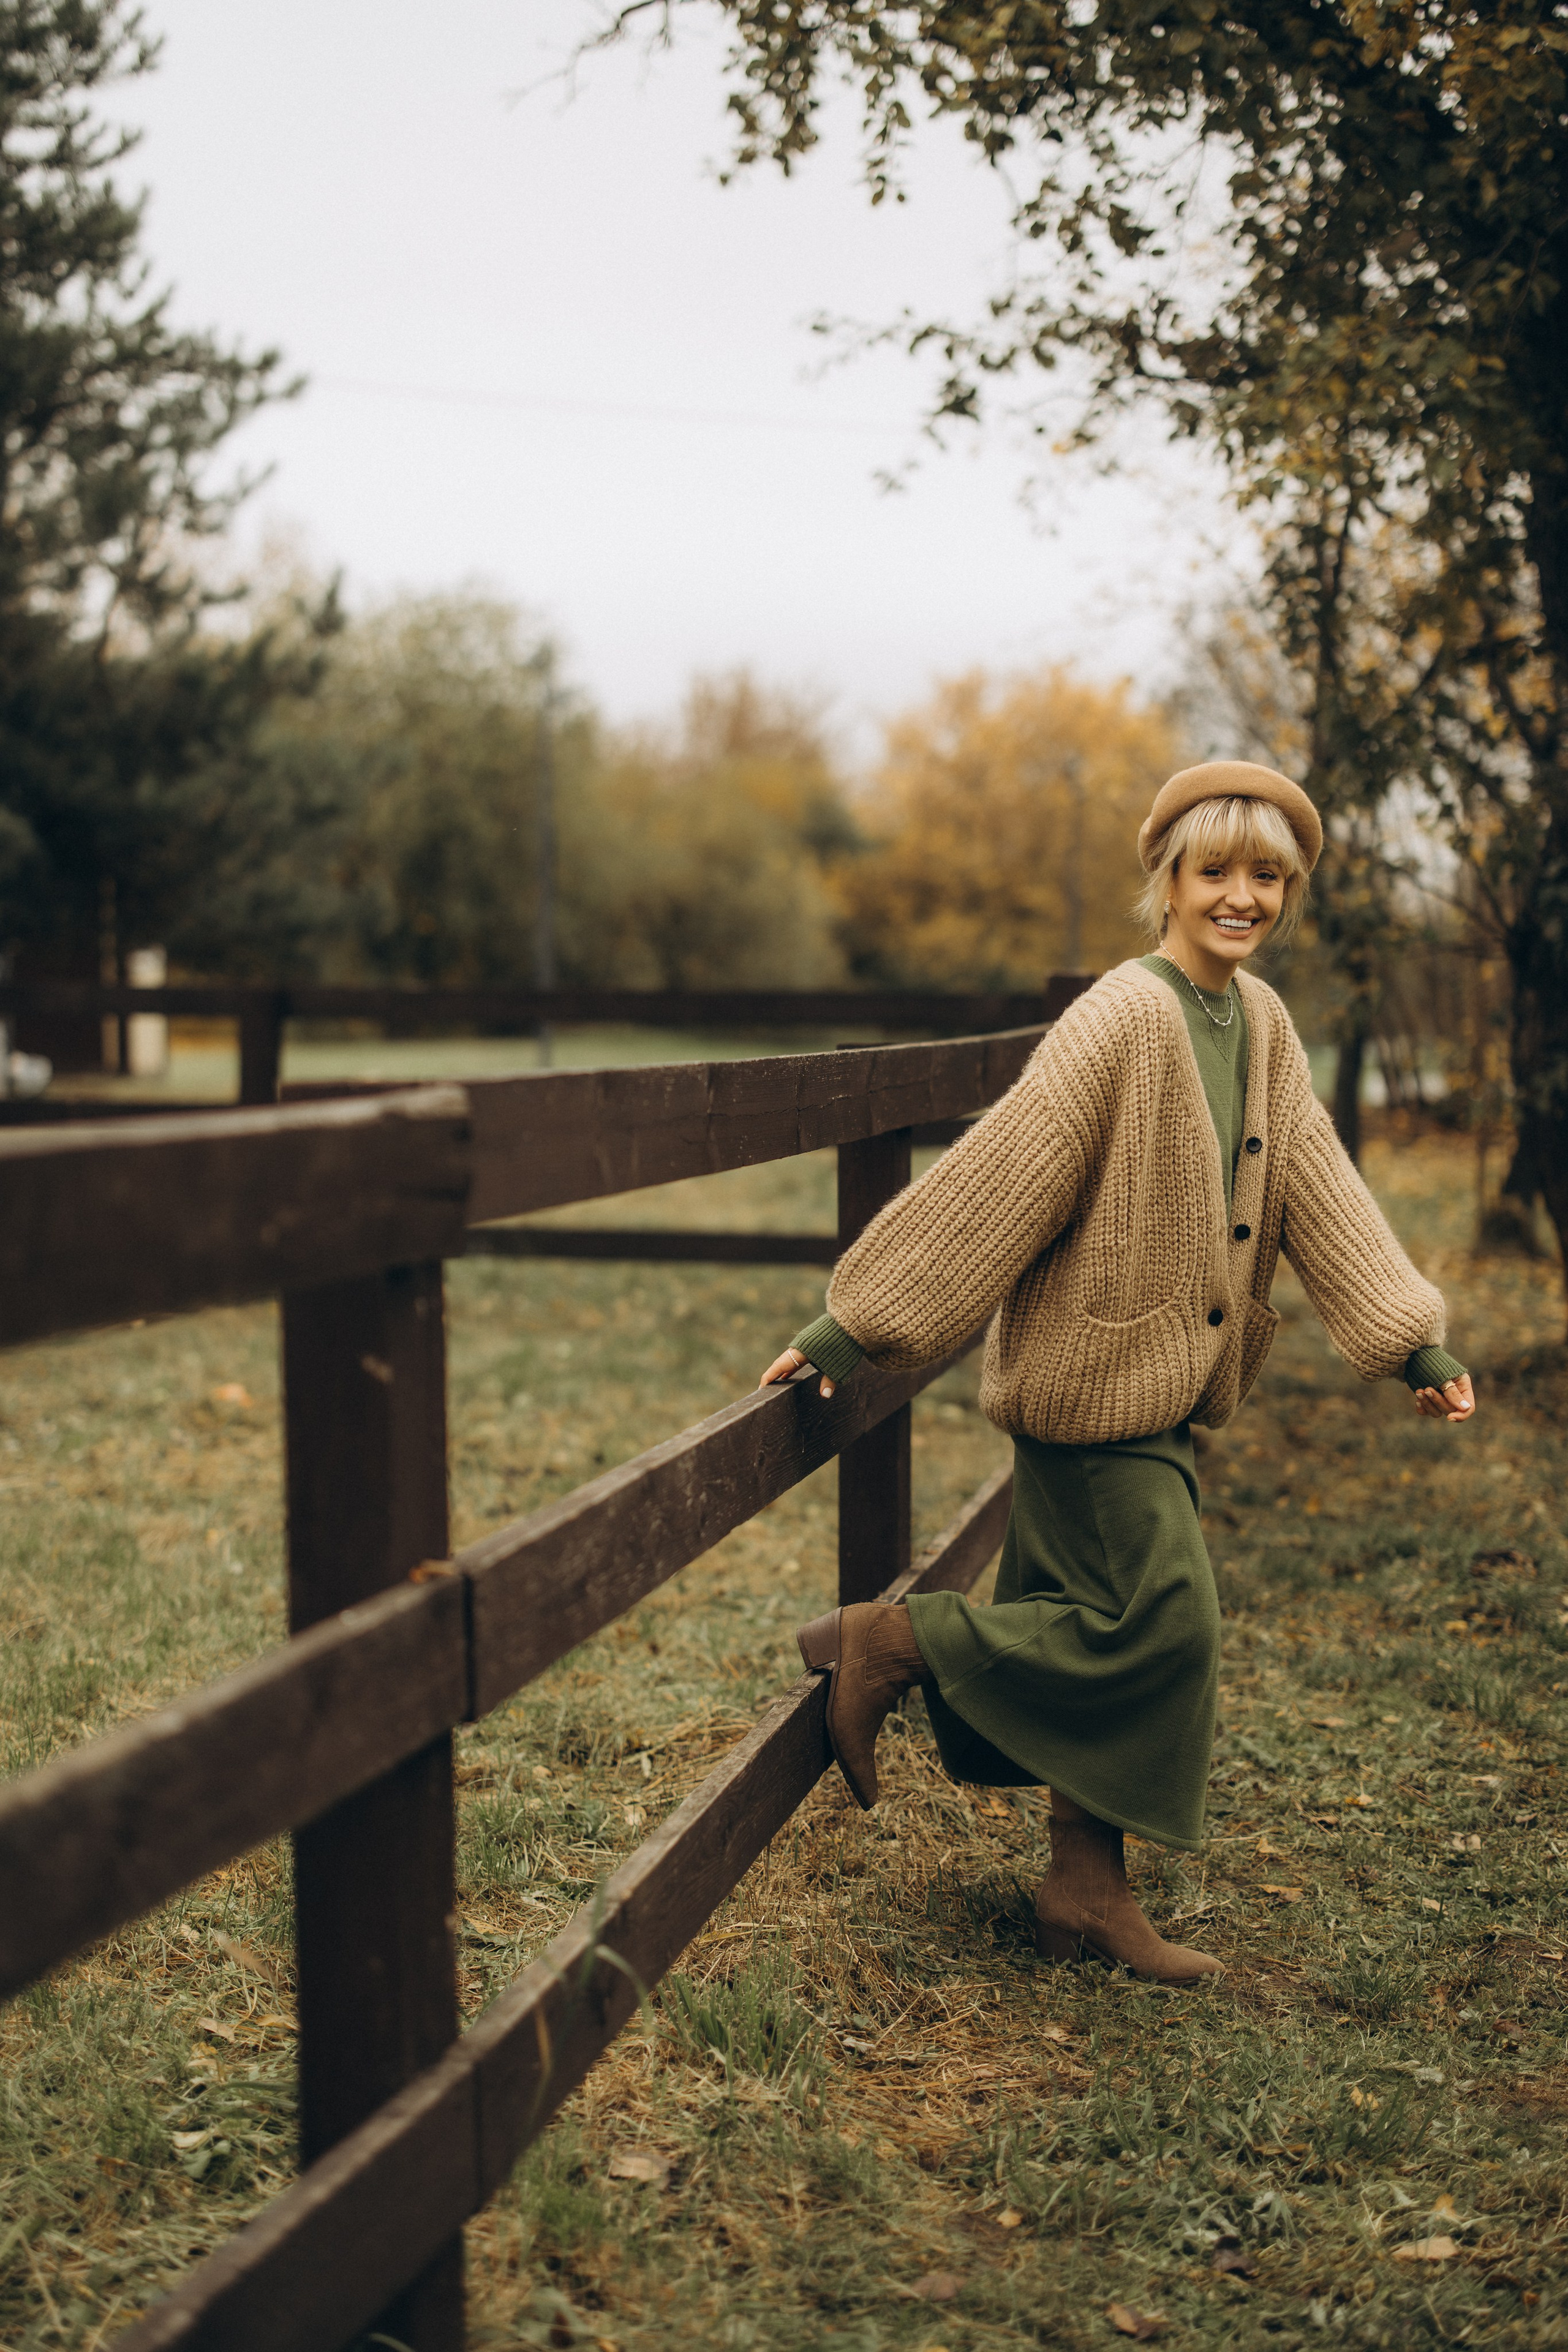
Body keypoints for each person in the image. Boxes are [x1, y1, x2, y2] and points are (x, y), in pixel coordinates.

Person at [759, 761, 1475, 1983]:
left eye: (1265, 877)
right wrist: (856, 1325)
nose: (1239, 897)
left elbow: (1315, 1185)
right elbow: (1005, 1174)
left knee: (1090, 1616)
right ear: (1167, 882)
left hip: (1164, 1391)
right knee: (1167, 1625)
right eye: (1214, 873)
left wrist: (1407, 1334)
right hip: (1088, 1392)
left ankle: (1083, 1890)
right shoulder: (1122, 1016)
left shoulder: (1259, 1024)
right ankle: (895, 1642)